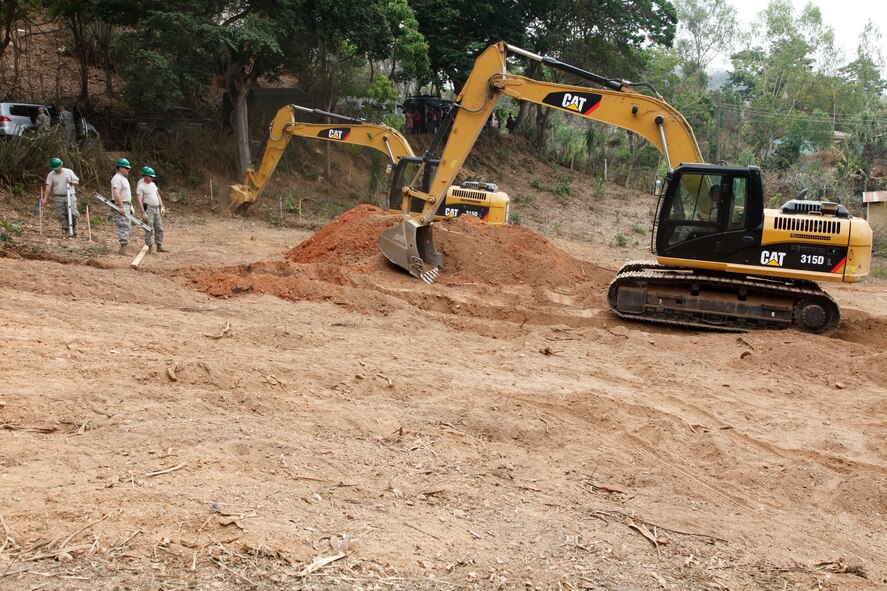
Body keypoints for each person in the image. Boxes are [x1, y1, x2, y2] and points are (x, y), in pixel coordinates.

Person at [41, 157, 80, 236]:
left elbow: (77, 182)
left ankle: (73, 227)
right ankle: (67, 230)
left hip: (70, 195)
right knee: (61, 214)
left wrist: (71, 182)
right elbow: (48, 187)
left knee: (72, 212)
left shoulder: (68, 171)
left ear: (61, 166)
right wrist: (44, 199)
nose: (56, 170)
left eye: (57, 168)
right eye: (54, 168)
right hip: (58, 196)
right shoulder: (51, 175)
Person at [135, 166, 168, 254]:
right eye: (150, 176)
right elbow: (139, 199)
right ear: (145, 176)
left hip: (156, 209)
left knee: (159, 227)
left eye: (153, 177)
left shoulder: (153, 185)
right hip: (149, 209)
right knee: (148, 228)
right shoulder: (141, 186)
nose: (152, 178)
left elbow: (158, 195)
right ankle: (150, 247)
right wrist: (142, 212)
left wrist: (162, 206)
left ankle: (159, 245)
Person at [111, 158, 134, 254]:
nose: (128, 170)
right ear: (121, 168)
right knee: (123, 225)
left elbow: (126, 194)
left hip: (126, 204)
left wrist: (131, 206)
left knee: (128, 226)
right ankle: (123, 248)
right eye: (126, 168)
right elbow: (116, 193)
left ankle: (124, 247)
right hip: (121, 205)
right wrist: (120, 206)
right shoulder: (117, 178)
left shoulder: (124, 179)